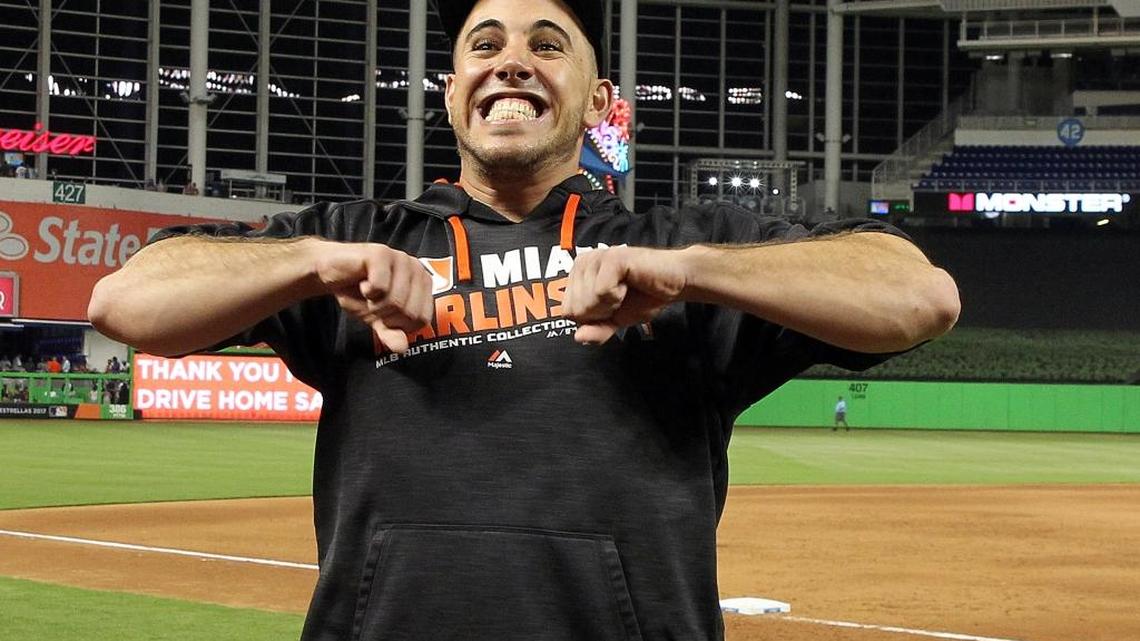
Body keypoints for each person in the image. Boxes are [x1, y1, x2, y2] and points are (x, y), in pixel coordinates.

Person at [88, 1, 960, 638]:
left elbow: (920, 297)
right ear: (453, 89)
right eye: (485, 44)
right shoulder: (357, 243)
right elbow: (123, 301)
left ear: (597, 100)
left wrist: (694, 272)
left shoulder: (682, 250)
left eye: (548, 44)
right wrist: (314, 262)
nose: (511, 61)